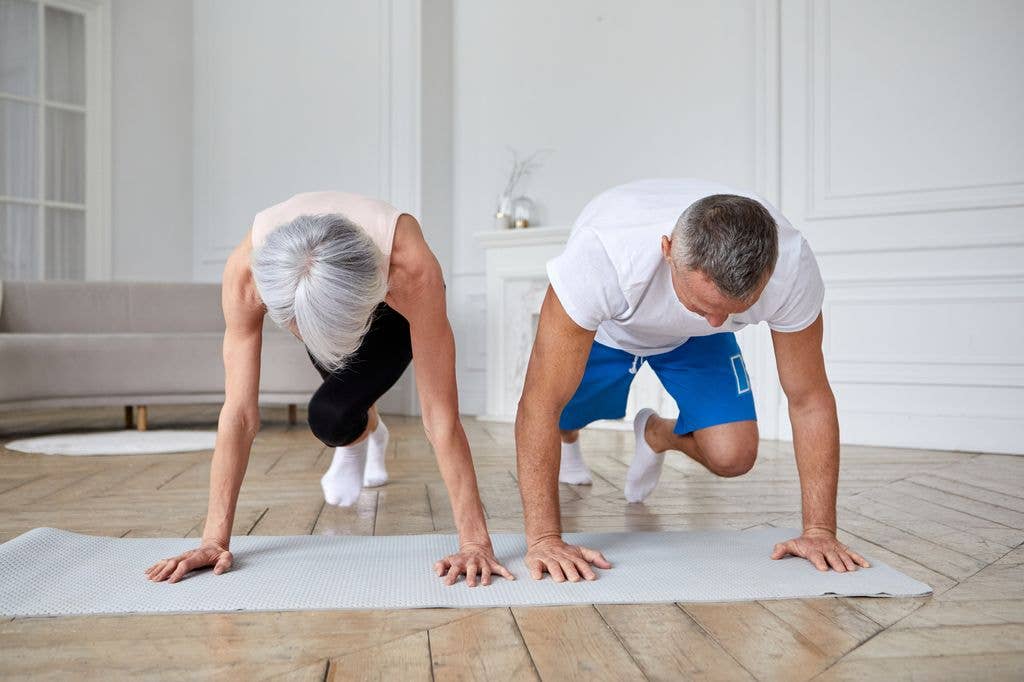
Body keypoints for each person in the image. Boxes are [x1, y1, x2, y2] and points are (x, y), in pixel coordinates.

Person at [146, 191, 513, 587]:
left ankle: (364, 424)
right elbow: (238, 414)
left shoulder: (412, 269)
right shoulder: (246, 275)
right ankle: (365, 428)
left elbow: (440, 416)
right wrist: (213, 540)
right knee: (331, 420)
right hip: (322, 293)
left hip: (391, 308)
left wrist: (475, 542)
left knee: (337, 410)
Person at [515, 178, 870, 582]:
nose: (720, 320)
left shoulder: (790, 266)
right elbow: (538, 402)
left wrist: (820, 531)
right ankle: (571, 440)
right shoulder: (603, 257)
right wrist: (544, 538)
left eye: (736, 310)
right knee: (560, 413)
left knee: (733, 456)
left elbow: (809, 398)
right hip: (609, 328)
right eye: (704, 304)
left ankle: (655, 434)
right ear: (667, 250)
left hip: (694, 341)